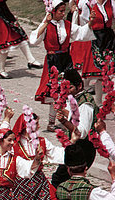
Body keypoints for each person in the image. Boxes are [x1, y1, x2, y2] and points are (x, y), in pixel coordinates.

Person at [30, 1, 95, 129]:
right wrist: (46, 23)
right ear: (52, 12)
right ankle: (51, 122)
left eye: (64, 11)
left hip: (66, 59)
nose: (63, 14)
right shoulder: (46, 25)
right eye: (60, 11)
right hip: (52, 60)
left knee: (68, 89)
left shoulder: (67, 24)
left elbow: (81, 33)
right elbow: (34, 40)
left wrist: (91, 22)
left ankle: (69, 119)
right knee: (54, 90)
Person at [10, 112, 64, 200]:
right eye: (36, 123)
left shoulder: (42, 141)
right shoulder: (15, 144)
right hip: (21, 186)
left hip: (40, 184)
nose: (39, 126)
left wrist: (71, 144)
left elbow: (56, 153)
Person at [51, 69, 98, 187]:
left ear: (79, 85)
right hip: (74, 147)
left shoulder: (86, 104)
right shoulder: (74, 98)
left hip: (83, 149)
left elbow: (81, 132)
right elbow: (74, 115)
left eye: (70, 87)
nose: (67, 92)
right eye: (65, 88)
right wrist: (61, 110)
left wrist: (63, 121)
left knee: (60, 180)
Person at [0, 0, 42, 78]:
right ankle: (0, 69)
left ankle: (31, 60)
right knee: (5, 39)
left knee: (18, 34)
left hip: (2, 9)